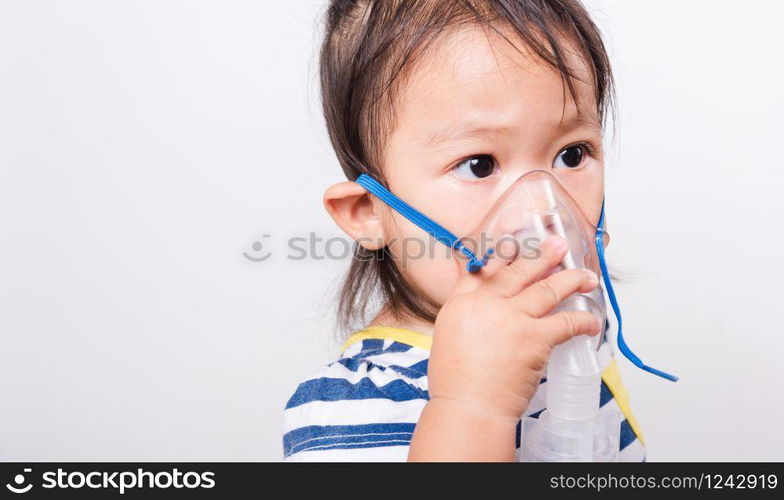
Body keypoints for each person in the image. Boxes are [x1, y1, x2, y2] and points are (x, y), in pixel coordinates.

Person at [283, 0, 646, 461]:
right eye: (479, 165)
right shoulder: (355, 411)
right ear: (368, 210)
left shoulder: (574, 338)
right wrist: (473, 407)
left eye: (572, 155)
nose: (542, 210)